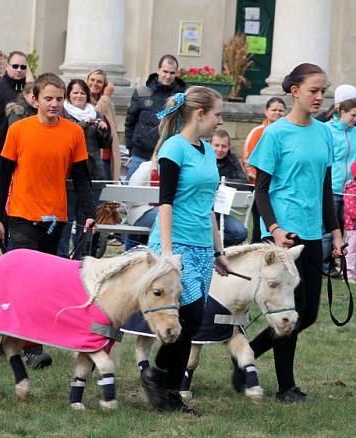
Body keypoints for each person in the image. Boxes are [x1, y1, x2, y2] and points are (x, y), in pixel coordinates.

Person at [246, 63, 345, 403]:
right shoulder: (275, 134)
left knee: (310, 313)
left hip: (313, 233)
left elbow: (325, 187)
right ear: (294, 91)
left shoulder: (324, 133)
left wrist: (335, 233)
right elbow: (260, 190)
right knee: (291, 310)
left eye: (323, 90)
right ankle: (286, 387)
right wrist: (274, 229)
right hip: (283, 237)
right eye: (314, 90)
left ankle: (245, 353)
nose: (320, 96)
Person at [0, 73, 97, 369]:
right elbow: (2, 178)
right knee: (27, 278)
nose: (54, 104)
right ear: (34, 99)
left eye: (59, 99)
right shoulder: (19, 130)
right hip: (22, 215)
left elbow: (81, 178)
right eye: (48, 98)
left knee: (44, 282)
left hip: (54, 219)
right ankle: (31, 346)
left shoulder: (73, 132)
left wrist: (88, 214)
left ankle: (10, 338)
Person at [136, 86, 229, 416]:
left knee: (193, 321)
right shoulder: (174, 149)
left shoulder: (206, 150)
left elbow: (209, 207)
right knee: (187, 319)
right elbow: (165, 203)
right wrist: (167, 252)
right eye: (217, 114)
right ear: (200, 115)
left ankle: (166, 388)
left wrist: (219, 252)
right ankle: (160, 379)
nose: (220, 120)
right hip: (176, 246)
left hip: (203, 246)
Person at [58, 78, 111, 258]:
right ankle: (62, 257)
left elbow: (106, 143)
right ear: (68, 95)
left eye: (82, 93)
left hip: (93, 174)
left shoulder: (95, 113)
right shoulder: (63, 114)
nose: (79, 96)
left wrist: (104, 130)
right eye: (75, 92)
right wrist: (84, 124)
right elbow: (67, 137)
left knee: (87, 221)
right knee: (66, 220)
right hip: (70, 175)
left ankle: (83, 258)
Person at [0, 51, 28, 220]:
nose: (19, 70)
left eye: (23, 67)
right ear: (7, 66)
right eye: (15, 66)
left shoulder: (30, 91)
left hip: (23, 156)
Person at [124, 54, 186, 178]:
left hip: (167, 156)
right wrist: (131, 148)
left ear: (177, 74)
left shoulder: (181, 97)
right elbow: (130, 122)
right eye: (165, 71)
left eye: (172, 73)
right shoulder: (142, 92)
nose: (168, 76)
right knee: (130, 194)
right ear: (158, 70)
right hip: (140, 155)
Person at [323, 85, 356, 274]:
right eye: (352, 115)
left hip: (350, 189)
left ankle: (342, 266)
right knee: (327, 230)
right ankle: (324, 266)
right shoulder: (326, 130)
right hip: (332, 188)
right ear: (342, 112)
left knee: (346, 231)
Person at [242, 97, 286, 243]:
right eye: (274, 110)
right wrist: (259, 178)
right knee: (259, 224)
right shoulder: (257, 132)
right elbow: (248, 159)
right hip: (260, 186)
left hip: (281, 188)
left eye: (281, 110)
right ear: (266, 112)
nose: (277, 113)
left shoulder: (288, 134)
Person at [211, 128, 248, 246]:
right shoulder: (201, 158)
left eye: (223, 146)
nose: (219, 150)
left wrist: (223, 183)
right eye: (216, 145)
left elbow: (243, 184)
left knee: (241, 233)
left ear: (229, 147)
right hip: (199, 211)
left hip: (221, 211)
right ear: (209, 144)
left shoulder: (232, 160)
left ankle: (214, 245)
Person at [86, 69, 120, 181]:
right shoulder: (82, 101)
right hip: (92, 160)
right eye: (92, 80)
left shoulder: (109, 104)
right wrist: (105, 97)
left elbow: (113, 130)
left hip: (107, 159)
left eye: (99, 82)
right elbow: (94, 117)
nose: (95, 84)